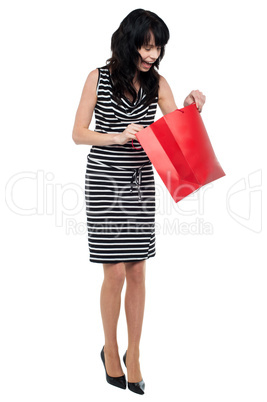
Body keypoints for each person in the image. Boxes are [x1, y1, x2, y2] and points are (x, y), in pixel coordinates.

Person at [72, 9, 206, 395]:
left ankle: (135, 354)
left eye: (158, 47)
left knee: (137, 272)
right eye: (147, 46)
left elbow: (180, 126)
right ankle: (110, 349)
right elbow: (78, 134)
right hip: (104, 182)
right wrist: (116, 136)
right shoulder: (96, 78)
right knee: (112, 272)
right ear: (129, 42)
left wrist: (192, 106)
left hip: (139, 182)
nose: (153, 54)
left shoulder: (157, 82)